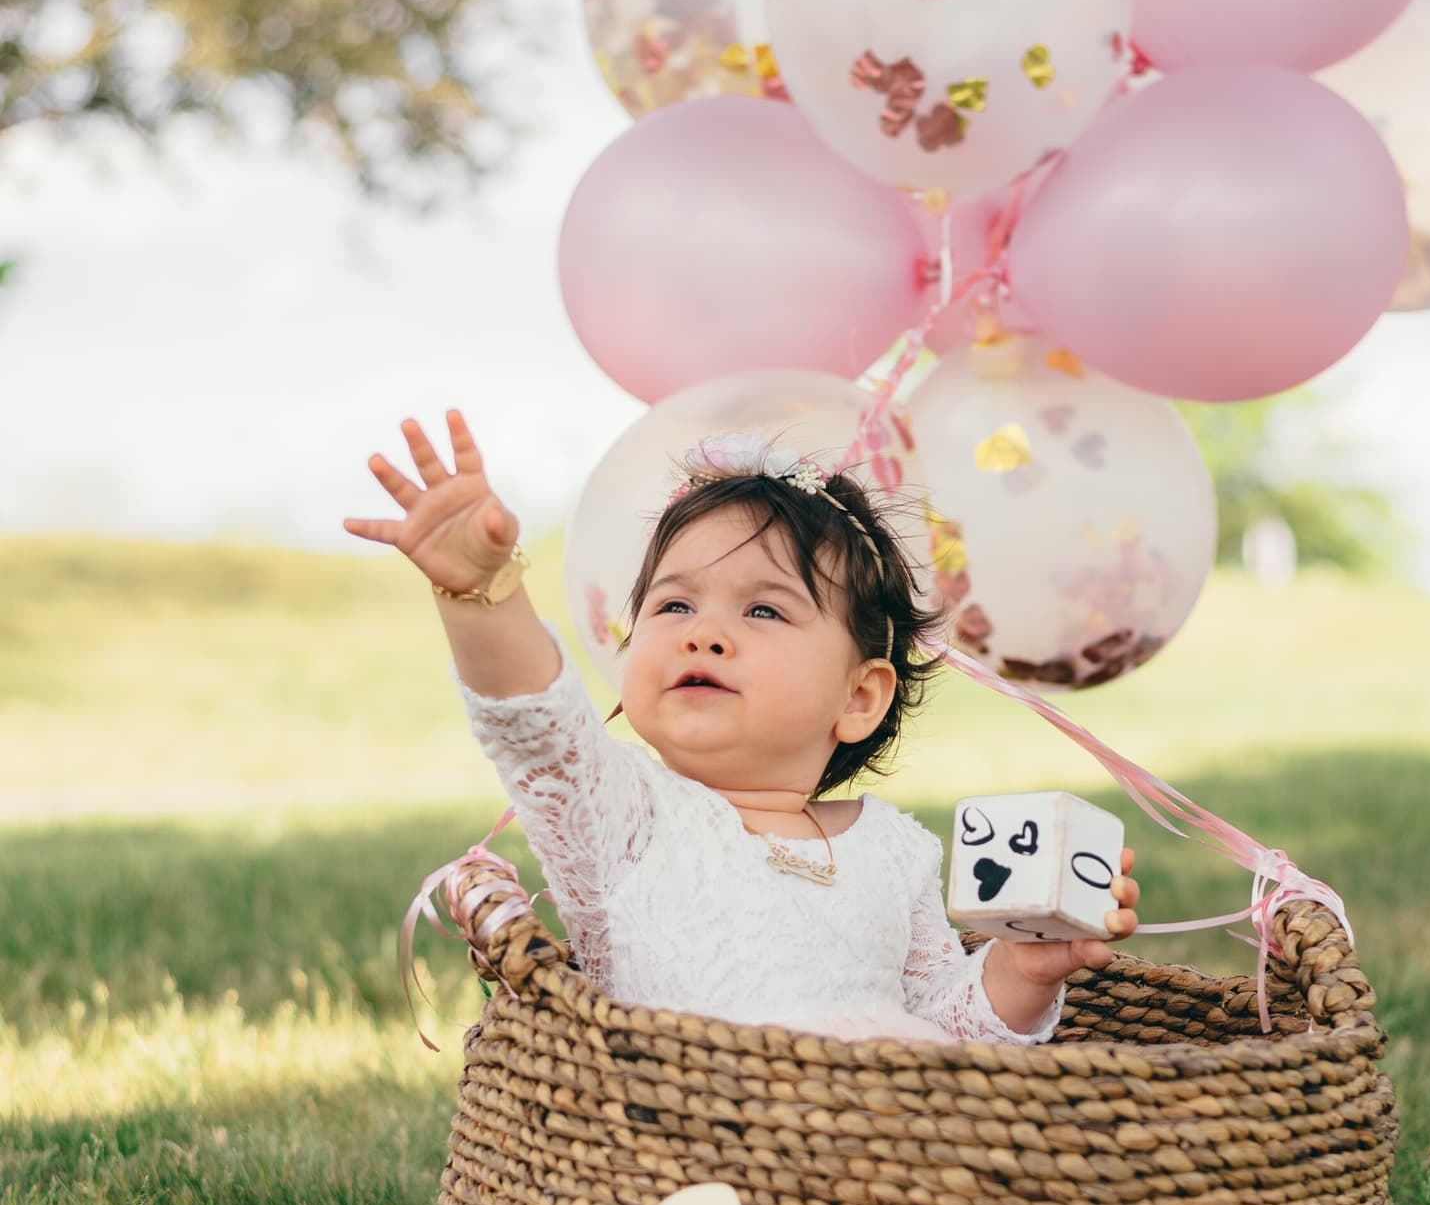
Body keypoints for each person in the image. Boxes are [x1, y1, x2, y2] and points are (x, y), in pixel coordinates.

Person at [345, 411, 1141, 1045]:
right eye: (674, 605)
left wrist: (1024, 970)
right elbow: (537, 726)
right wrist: (482, 594)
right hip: (695, 1145)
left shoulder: (895, 849)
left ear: (859, 698)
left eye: (763, 609)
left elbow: (946, 1020)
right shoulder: (623, 816)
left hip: (888, 1158)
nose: (704, 633)